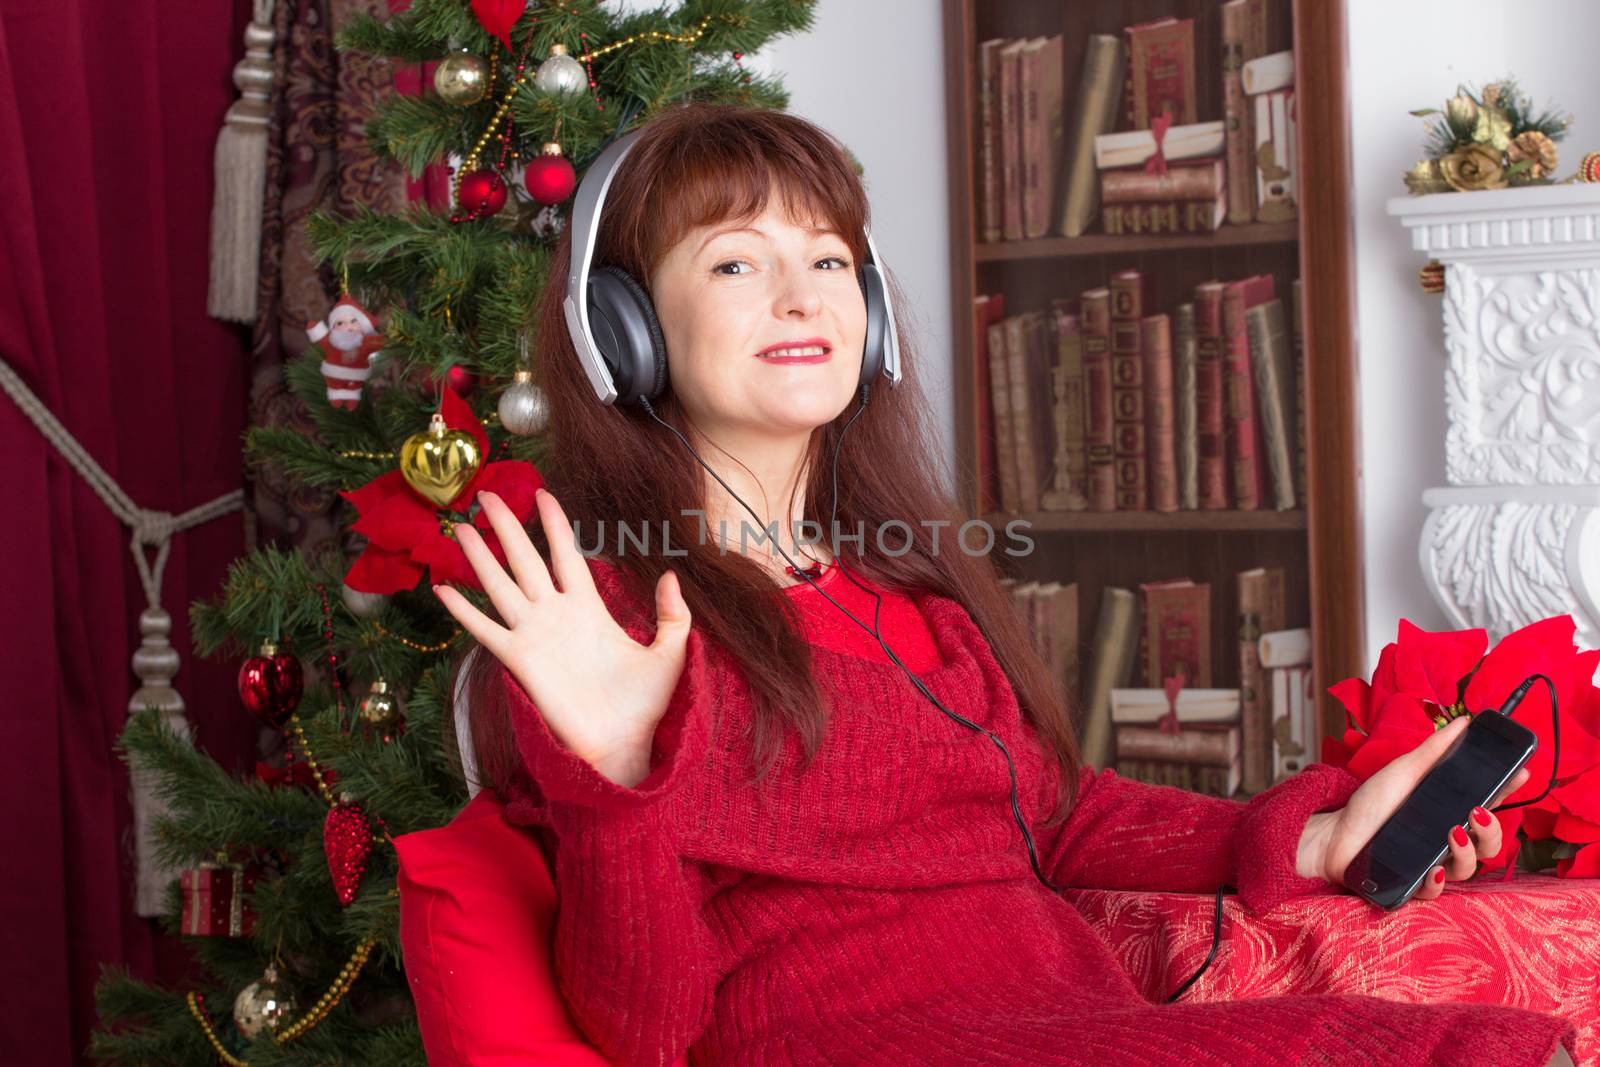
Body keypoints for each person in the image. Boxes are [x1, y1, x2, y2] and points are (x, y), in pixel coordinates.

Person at [433, 103, 1577, 1067]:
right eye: (736, 261)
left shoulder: (914, 603)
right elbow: (645, 1027)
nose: (800, 295)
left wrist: (1319, 835)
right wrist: (621, 778)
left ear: (870, 312)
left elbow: (1063, 814)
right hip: (872, 1041)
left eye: (828, 259)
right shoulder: (607, 632)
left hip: (1067, 1023)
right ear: (623, 330)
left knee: (1483, 1040)